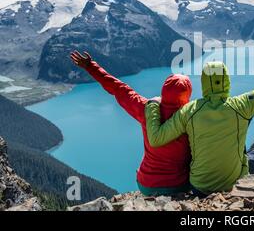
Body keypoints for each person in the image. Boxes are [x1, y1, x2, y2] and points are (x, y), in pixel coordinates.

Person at [145, 21, 254, 195]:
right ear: (227, 80)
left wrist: (152, 105)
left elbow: (157, 138)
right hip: (235, 183)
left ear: (204, 82)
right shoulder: (241, 105)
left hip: (199, 187)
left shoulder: (189, 111)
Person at [70, 51, 193, 196]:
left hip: (147, 185)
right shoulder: (192, 116)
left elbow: (118, 88)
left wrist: (91, 66)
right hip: (178, 186)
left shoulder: (147, 108)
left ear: (164, 89)